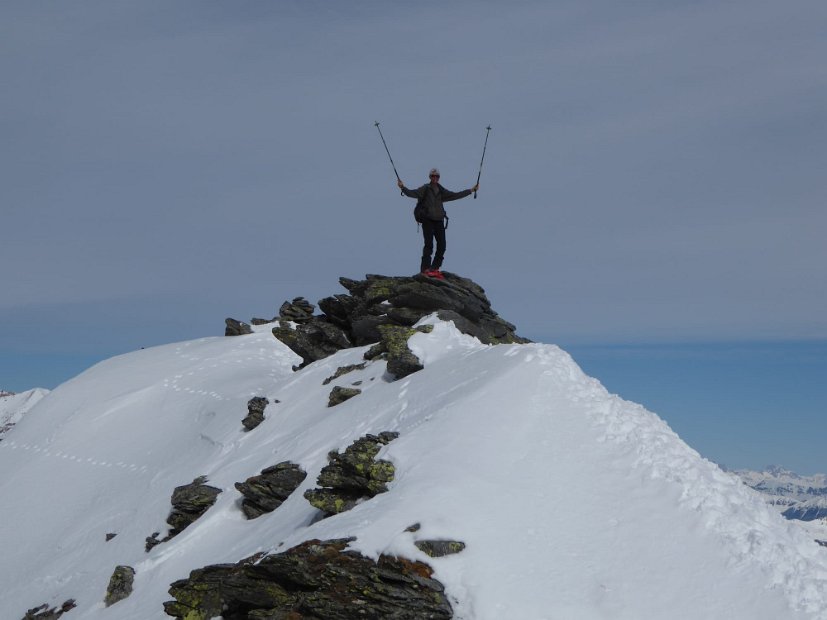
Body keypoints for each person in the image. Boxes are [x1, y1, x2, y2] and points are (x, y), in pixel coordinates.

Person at [397, 168, 479, 278]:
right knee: (429, 245)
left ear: (439, 178)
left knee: (442, 246)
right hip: (427, 219)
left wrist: (471, 190)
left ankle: (434, 268)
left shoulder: (441, 190)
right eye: (433, 176)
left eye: (437, 176)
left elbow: (455, 195)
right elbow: (412, 193)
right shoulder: (425, 188)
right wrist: (402, 187)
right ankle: (425, 269)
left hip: (439, 220)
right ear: (430, 177)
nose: (435, 178)